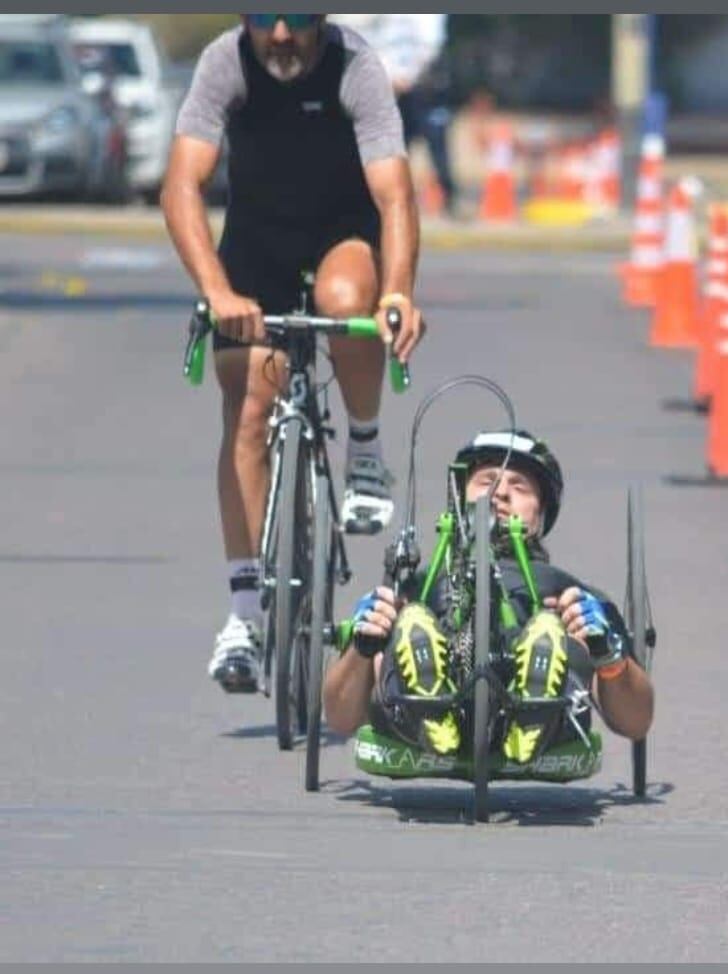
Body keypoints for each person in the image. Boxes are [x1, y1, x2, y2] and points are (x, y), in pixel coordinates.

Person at [161, 14, 424, 693]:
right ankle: (245, 614)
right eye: (262, 18)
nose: (280, 34)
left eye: (299, 18)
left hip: (342, 236)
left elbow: (394, 194)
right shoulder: (225, 62)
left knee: (346, 306)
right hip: (256, 248)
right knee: (248, 406)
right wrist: (217, 292)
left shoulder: (355, 66)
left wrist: (396, 293)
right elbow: (181, 183)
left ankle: (364, 452)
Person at [323, 429, 655, 766]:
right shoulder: (417, 586)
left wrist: (607, 655)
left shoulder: (569, 593)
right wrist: (363, 646)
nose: (500, 493)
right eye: (486, 481)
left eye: (519, 485)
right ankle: (431, 708)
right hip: (422, 703)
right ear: (459, 498)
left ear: (541, 513)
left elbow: (636, 722)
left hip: (550, 708)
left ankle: (533, 712)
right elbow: (340, 719)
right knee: (402, 627)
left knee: (564, 637)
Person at [331, 14, 457, 217]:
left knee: (437, 148)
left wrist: (410, 76)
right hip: (394, 91)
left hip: (424, 91)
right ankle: (388, 197)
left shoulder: (426, 20)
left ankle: (448, 200)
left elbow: (431, 44)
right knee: (394, 150)